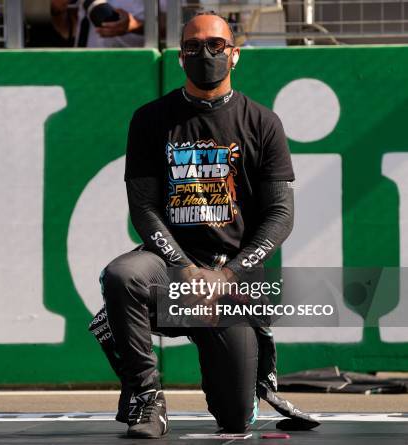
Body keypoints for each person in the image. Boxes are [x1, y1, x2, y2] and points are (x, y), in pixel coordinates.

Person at [89, 10, 320, 438]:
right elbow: (143, 207)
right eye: (194, 46)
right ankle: (145, 396)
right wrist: (187, 270)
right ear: (180, 57)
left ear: (234, 55)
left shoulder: (263, 123)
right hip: (171, 267)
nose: (205, 54)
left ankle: (236, 367)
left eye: (216, 45)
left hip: (231, 279)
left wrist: (227, 275)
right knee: (122, 275)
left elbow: (281, 215)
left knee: (234, 418)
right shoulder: (150, 119)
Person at [51, 0, 151, 48]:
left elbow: (165, 27)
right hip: (84, 69)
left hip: (135, 67)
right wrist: (57, 9)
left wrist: (134, 26)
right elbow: (67, 31)